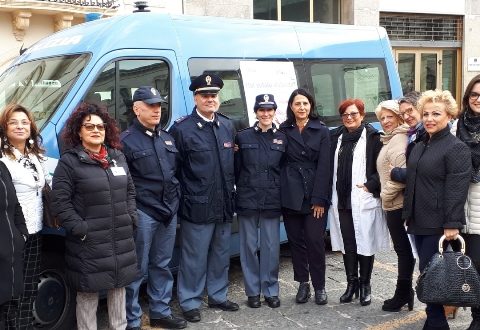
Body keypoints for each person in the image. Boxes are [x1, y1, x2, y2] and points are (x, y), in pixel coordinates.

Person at [52, 103, 138, 330]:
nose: (95, 130)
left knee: (118, 289)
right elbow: (60, 203)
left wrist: (131, 216)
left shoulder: (117, 157)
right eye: (88, 126)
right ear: (78, 131)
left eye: (100, 126)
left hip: (120, 238)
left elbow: (130, 190)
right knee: (88, 294)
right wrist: (80, 229)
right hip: (88, 243)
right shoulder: (69, 162)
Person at [169, 73, 238, 323]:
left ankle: (218, 295)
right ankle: (189, 301)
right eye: (205, 95)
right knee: (194, 257)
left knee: (221, 253)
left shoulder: (227, 125)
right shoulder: (182, 129)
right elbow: (173, 171)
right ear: (195, 97)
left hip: (223, 204)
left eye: (214, 95)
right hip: (196, 205)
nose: (210, 99)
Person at [403, 89, 471, 330]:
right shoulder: (421, 144)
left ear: (449, 116)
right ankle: (435, 320)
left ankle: (436, 323)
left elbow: (457, 187)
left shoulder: (456, 148)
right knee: (425, 273)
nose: (430, 119)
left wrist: (452, 223)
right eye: (426, 114)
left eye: (436, 114)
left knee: (431, 274)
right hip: (417, 219)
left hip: (437, 222)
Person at [122, 86, 186, 329]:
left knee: (162, 265)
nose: (156, 110)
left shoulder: (167, 137)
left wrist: (174, 202)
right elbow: (125, 183)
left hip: (168, 212)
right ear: (137, 109)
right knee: (137, 269)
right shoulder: (126, 141)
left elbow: (175, 174)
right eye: (150, 105)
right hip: (143, 213)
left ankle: (160, 312)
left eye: (158, 105)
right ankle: (133, 319)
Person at [328, 98, 389, 307]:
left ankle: (365, 285)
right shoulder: (335, 136)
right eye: (345, 114)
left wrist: (371, 184)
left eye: (354, 114)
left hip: (363, 199)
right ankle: (351, 284)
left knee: (366, 242)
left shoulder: (373, 137)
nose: (349, 118)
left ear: (362, 116)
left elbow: (383, 166)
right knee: (348, 244)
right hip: (342, 200)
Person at [0, 104, 50, 329]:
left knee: (30, 286)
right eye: (13, 122)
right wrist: (19, 234)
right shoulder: (3, 158)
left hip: (35, 229)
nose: (20, 126)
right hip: (12, 234)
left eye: (24, 122)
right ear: (4, 127)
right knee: (13, 290)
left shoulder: (35, 155)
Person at [279, 88, 331, 305]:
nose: (302, 107)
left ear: (311, 106)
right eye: (297, 104)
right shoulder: (283, 129)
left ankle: (319, 286)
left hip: (313, 193)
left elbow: (325, 167)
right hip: (291, 192)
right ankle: (303, 283)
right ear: (291, 106)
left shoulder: (322, 130)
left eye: (305, 104)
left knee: (315, 241)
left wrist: (319, 198)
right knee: (296, 242)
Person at [235, 94, 286, 309]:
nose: (266, 114)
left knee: (271, 247)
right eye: (261, 110)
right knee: (248, 246)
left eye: (269, 109)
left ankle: (270, 290)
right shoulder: (243, 137)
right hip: (248, 198)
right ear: (255, 112)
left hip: (272, 199)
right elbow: (236, 168)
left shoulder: (283, 138)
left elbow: (284, 170)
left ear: (274, 112)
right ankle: (253, 292)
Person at [374, 100, 415, 312]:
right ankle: (405, 292)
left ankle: (403, 293)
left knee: (404, 252)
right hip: (393, 204)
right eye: (382, 118)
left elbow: (400, 175)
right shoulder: (390, 139)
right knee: (403, 251)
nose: (385, 121)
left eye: (390, 116)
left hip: (397, 204)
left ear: (398, 117)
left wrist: (384, 196)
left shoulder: (398, 140)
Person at [451, 74, 480, 330]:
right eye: (474, 95)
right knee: (471, 265)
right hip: (462, 205)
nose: (478, 100)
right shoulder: (456, 126)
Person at [0, 159, 27, 329]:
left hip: (10, 254)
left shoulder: (2, 167)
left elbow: (15, 205)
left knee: (9, 310)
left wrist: (21, 234)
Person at [390, 91, 424, 184]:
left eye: (409, 111)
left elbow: (426, 172)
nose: (406, 117)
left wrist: (397, 173)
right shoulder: (412, 133)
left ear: (421, 108)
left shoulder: (429, 134)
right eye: (402, 114)